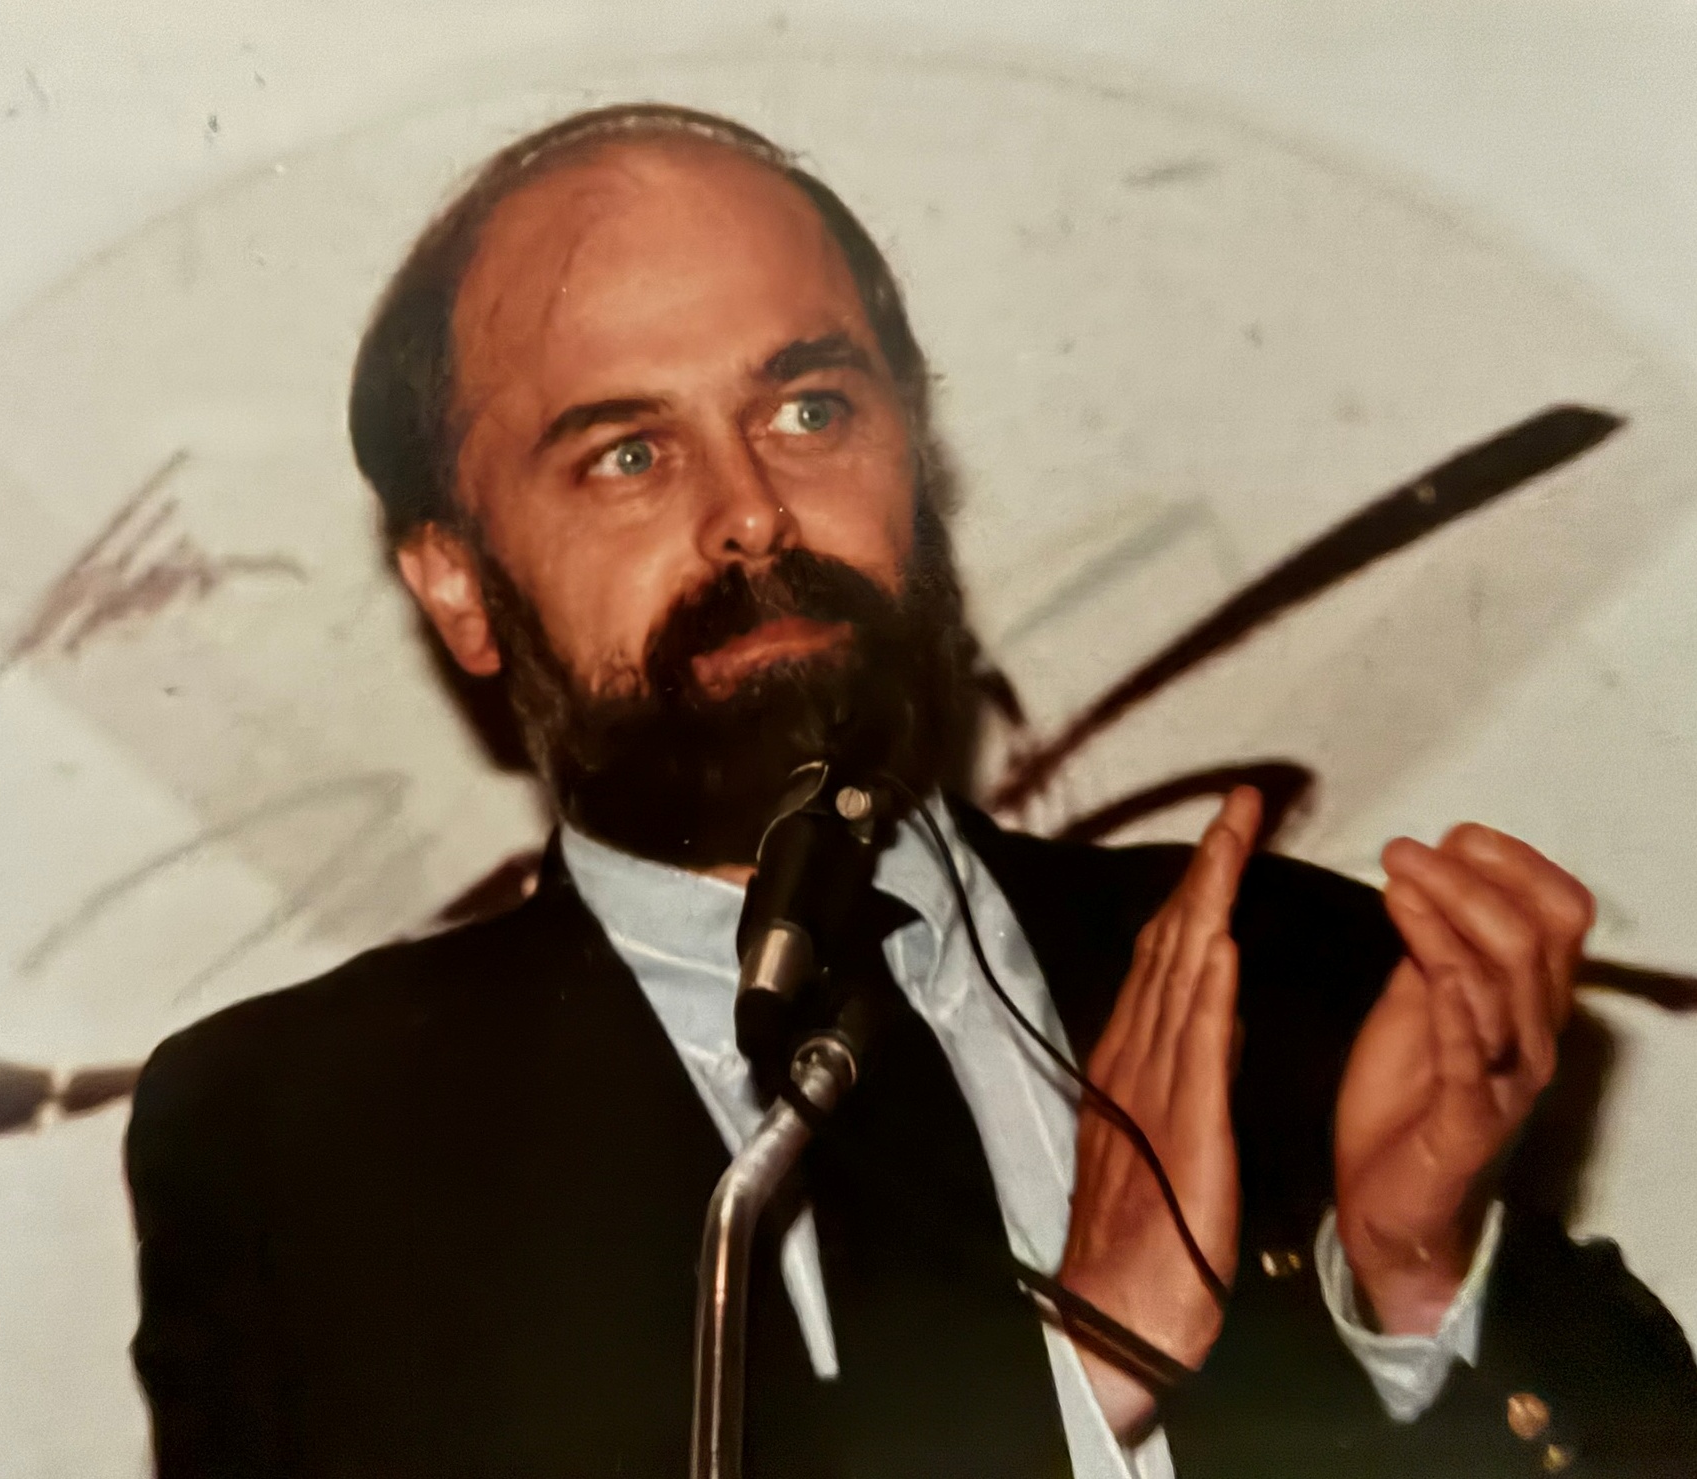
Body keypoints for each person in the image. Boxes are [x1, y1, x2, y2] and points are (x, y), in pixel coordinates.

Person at [124, 104, 1697, 1478]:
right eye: (627, 455)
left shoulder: (1295, 973)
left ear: (917, 454)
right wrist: (1072, 1384)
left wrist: (1416, 1287)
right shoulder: (298, 1144)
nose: (752, 511)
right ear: (459, 584)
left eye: (810, 410)